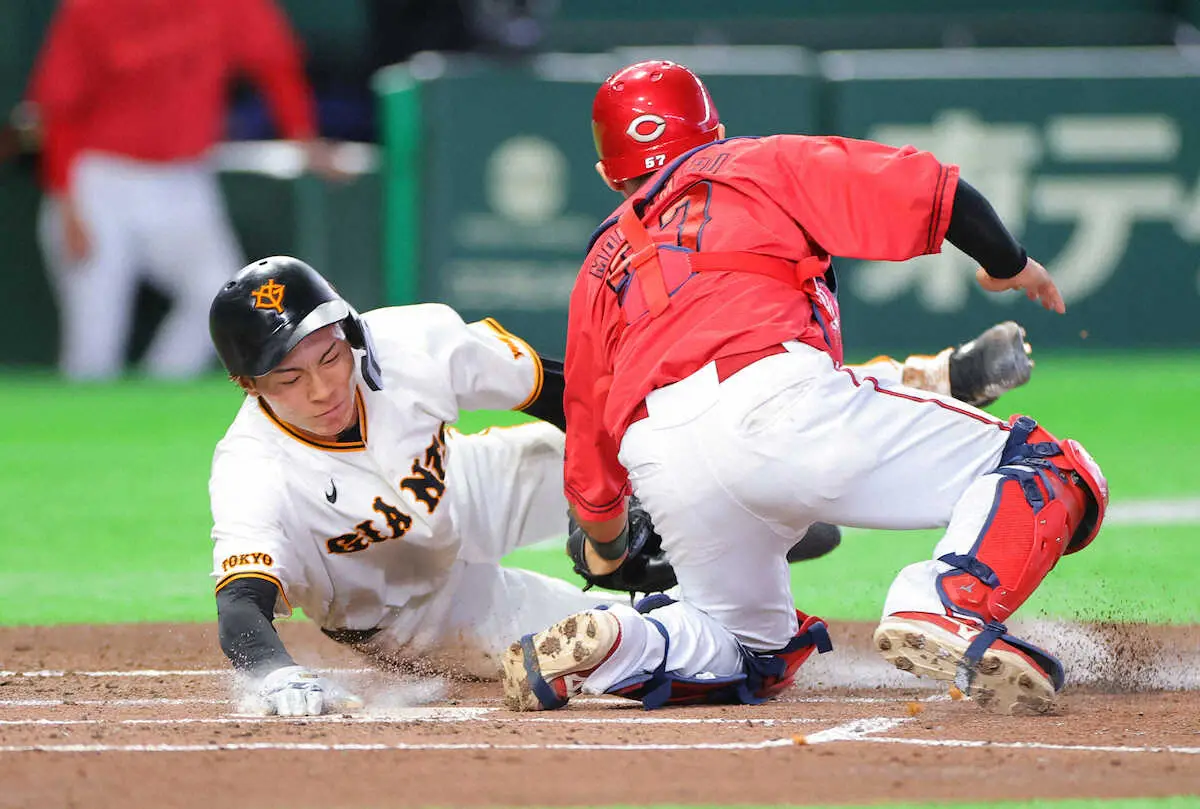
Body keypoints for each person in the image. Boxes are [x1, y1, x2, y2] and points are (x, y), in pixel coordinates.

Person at [501, 60, 1107, 715]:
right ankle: (947, 599)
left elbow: (588, 433)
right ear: (716, 131)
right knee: (1048, 466)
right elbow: (930, 188)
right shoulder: (753, 163)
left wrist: (608, 547)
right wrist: (1008, 263)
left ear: (607, 175)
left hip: (664, 460)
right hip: (777, 402)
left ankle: (628, 640)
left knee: (749, 646)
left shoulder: (599, 264)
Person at [205, 256, 1035, 717]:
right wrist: (275, 676)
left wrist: (623, 487)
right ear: (251, 388)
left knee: (677, 426)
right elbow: (243, 603)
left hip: (468, 487)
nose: (321, 388)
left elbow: (566, 394)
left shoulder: (411, 343)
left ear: (349, 333)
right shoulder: (253, 468)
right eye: (289, 378)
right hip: (409, 611)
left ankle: (921, 382)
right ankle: (689, 590)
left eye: (329, 357)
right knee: (594, 641)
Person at [24, 0, 341, 381]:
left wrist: (303, 137)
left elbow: (275, 63)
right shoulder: (92, 7)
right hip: (100, 179)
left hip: (183, 179)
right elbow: (59, 109)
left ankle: (154, 400)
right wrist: (67, 201)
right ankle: (82, 432)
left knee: (220, 295)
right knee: (94, 343)